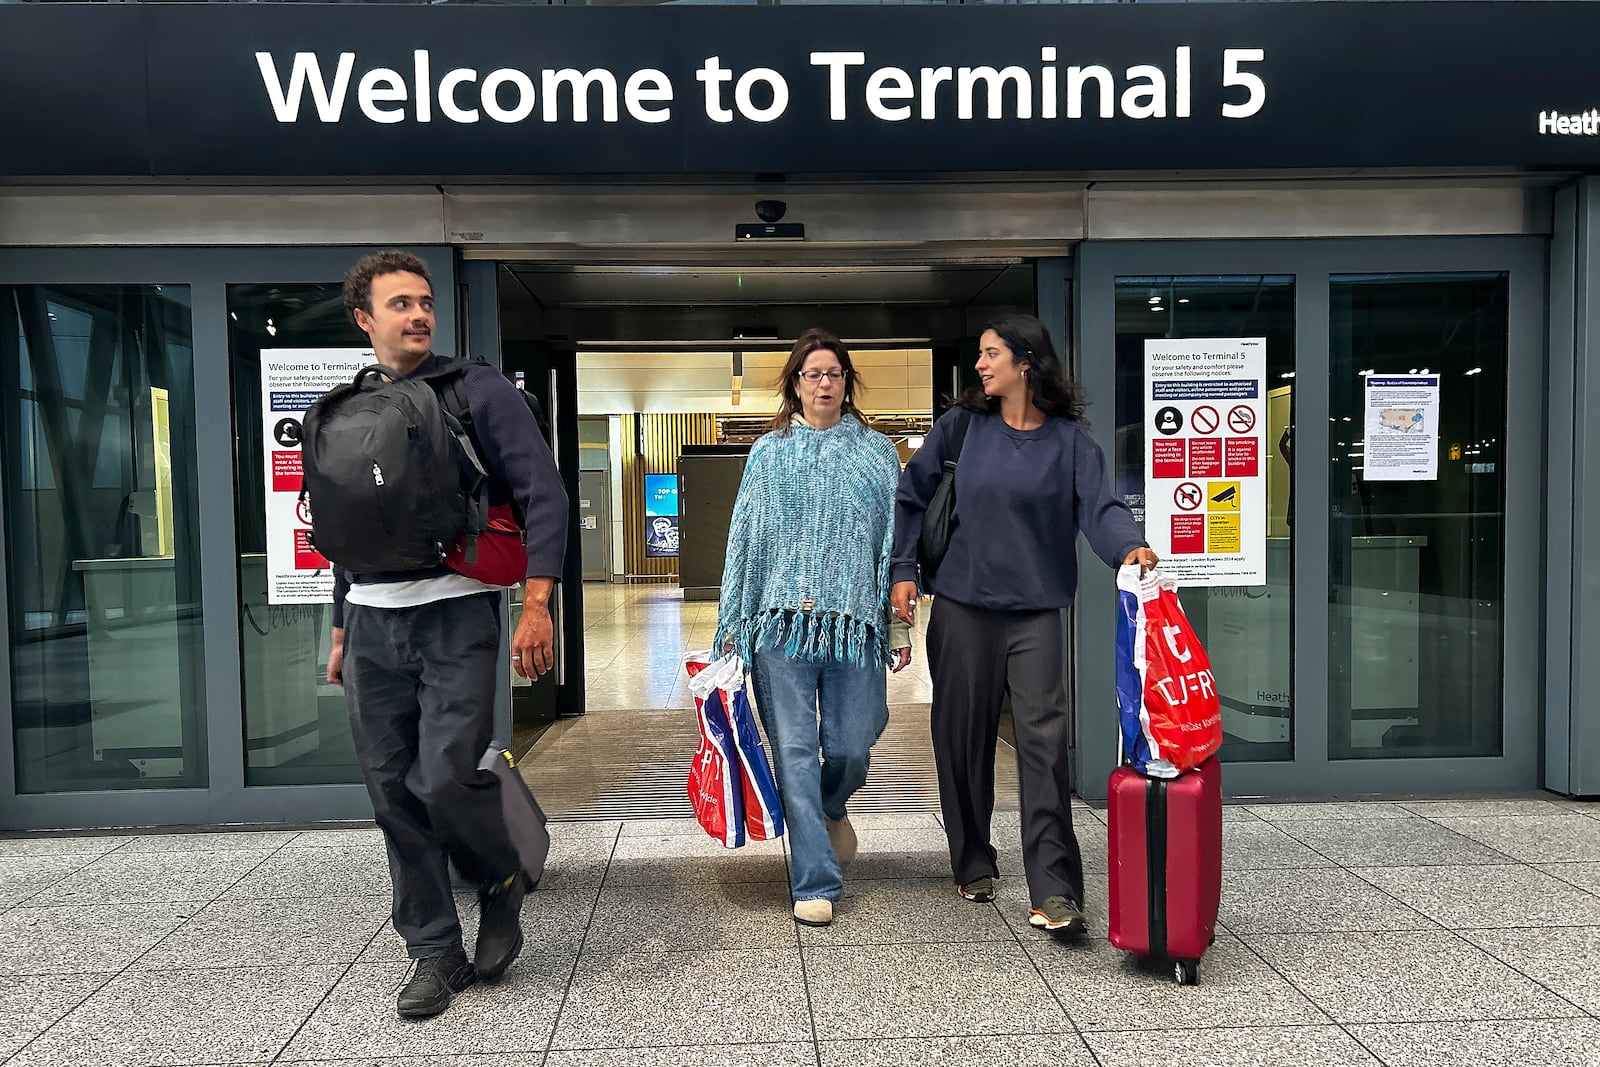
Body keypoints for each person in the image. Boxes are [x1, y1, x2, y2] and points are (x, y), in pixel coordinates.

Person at [324, 250, 568, 1018]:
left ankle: (499, 875)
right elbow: (349, 530)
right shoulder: (348, 409)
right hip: (370, 620)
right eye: (400, 303)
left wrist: (538, 601)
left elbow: (543, 491)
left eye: (425, 301)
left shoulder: (475, 390)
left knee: (442, 775)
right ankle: (434, 951)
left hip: (456, 613)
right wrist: (338, 626)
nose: (419, 314)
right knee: (394, 794)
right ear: (364, 319)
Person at [890, 314, 1156, 935]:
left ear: (1026, 362)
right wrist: (904, 569)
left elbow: (1102, 508)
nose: (981, 365)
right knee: (962, 738)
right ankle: (973, 858)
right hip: (961, 609)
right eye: (980, 355)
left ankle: (1056, 888)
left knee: (1042, 745)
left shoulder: (1069, 443)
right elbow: (911, 497)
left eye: (991, 355)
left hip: (1035, 614)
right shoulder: (961, 430)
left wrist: (1129, 548)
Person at [714, 328, 912, 927]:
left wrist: (898, 631)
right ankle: (814, 879)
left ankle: (831, 808)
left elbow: (891, 547)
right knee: (795, 752)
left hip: (853, 627)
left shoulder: (877, 453)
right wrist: (733, 624)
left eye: (833, 373)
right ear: (794, 385)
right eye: (812, 374)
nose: (823, 383)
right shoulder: (767, 454)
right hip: (780, 629)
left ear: (847, 383)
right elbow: (745, 541)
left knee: (853, 743)